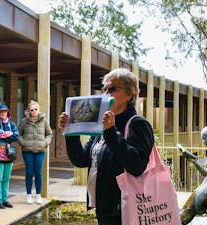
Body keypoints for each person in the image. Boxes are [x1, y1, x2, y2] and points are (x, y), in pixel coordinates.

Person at [58, 68, 154, 225]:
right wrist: (71, 132)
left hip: (126, 209)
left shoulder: (138, 124)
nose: (107, 93)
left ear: (129, 94)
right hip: (105, 207)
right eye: (105, 89)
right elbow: (81, 160)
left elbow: (137, 165)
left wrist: (111, 132)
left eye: (113, 89)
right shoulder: (102, 125)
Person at [18, 100, 53, 204]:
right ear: (29, 111)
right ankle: (28, 195)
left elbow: (49, 134)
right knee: (29, 172)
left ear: (39, 110)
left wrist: (45, 143)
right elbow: (18, 134)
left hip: (40, 150)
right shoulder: (24, 121)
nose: (33, 111)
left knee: (38, 172)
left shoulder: (44, 121)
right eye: (31, 110)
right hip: (27, 150)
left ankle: (38, 195)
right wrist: (23, 143)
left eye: (35, 109)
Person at [0, 104, 19, 209]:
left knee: (6, 178)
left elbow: (16, 136)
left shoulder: (12, 124)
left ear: (8, 113)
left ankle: (5, 199)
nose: (3, 113)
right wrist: (8, 134)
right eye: (1, 112)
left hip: (9, 155)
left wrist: (5, 135)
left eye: (5, 111)